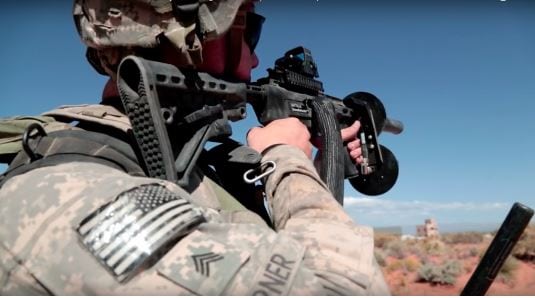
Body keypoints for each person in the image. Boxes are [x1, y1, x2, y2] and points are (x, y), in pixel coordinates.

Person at [0, 0, 389, 295]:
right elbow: (343, 288)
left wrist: (314, 170)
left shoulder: (194, 163)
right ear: (184, 36)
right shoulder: (72, 192)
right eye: (248, 29)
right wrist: (286, 161)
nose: (254, 56)